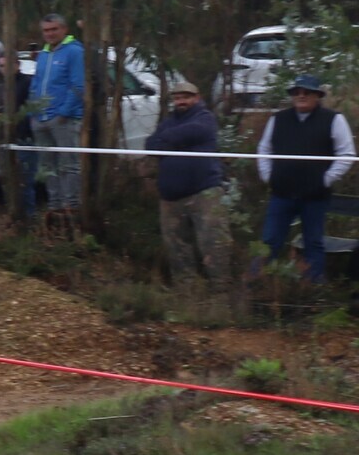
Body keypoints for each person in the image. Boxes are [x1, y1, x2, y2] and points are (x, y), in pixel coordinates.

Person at [255, 74, 356, 283]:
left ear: (317, 95)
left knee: (313, 242)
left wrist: (325, 180)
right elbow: (264, 150)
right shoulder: (278, 119)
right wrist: (268, 176)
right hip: (281, 193)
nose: (301, 96)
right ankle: (257, 284)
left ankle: (313, 289)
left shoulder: (334, 119)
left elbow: (346, 155)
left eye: (306, 92)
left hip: (315, 196)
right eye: (296, 92)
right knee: (269, 241)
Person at [144, 80, 233, 295]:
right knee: (177, 249)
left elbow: (196, 131)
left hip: (204, 192)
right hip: (171, 197)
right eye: (177, 97)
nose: (181, 101)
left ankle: (222, 295)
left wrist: (168, 139)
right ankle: (188, 295)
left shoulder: (205, 118)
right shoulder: (168, 121)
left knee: (214, 244)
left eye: (186, 97)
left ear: (197, 98)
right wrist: (171, 139)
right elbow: (150, 145)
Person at [30, 13, 85, 214]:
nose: (50, 34)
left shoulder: (74, 51)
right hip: (40, 118)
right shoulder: (43, 54)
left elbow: (78, 85)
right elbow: (35, 83)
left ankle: (70, 205)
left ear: (64, 29)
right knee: (47, 165)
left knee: (69, 163)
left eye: (54, 29)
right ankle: (54, 205)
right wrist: (32, 111)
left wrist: (63, 113)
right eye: (46, 30)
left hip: (63, 118)